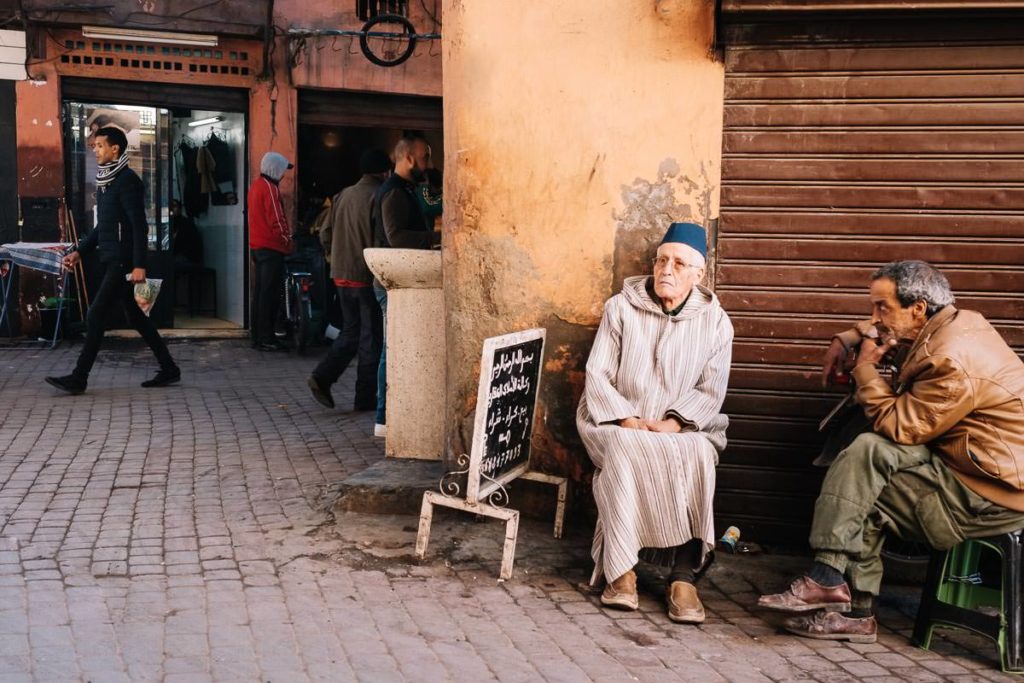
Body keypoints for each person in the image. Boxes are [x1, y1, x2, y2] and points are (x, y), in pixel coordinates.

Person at [759, 261, 1024, 644]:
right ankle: (839, 595)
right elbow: (883, 327)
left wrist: (865, 368)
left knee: (865, 479)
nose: (874, 317)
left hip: (989, 493)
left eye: (881, 307)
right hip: (969, 460)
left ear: (918, 307)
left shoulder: (951, 358)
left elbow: (901, 426)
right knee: (863, 469)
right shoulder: (956, 321)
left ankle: (840, 595)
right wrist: (848, 337)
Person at [577, 222, 733, 624]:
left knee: (698, 453)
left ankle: (683, 577)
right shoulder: (621, 307)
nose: (667, 269)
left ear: (698, 275)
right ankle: (621, 571)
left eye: (680, 264)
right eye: (662, 260)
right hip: (615, 419)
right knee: (625, 448)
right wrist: (626, 417)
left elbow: (711, 388)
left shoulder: (716, 321)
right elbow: (598, 373)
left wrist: (673, 424)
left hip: (683, 427)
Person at [46, 126, 180, 395]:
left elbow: (139, 225)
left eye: (99, 146)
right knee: (137, 318)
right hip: (111, 258)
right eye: (94, 146)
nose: (95, 150)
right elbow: (102, 228)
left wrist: (139, 264)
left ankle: (79, 377)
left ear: (115, 149)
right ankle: (169, 369)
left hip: (122, 261)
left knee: (95, 314)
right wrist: (79, 251)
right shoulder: (108, 182)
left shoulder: (127, 181)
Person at [307, 148, 391, 411]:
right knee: (370, 339)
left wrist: (336, 257)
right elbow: (381, 239)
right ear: (384, 172)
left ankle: (322, 377)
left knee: (351, 333)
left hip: (341, 275)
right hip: (365, 276)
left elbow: (325, 234)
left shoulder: (342, 195)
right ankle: (364, 399)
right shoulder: (379, 196)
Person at [370, 137, 439, 437]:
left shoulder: (405, 190)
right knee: (391, 348)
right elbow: (396, 237)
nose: (427, 164)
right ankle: (383, 416)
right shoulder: (394, 192)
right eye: (424, 158)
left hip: (399, 281)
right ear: (409, 158)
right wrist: (435, 237)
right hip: (391, 283)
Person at [248, 152, 293, 352]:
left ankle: (258, 336)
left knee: (260, 294)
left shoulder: (256, 186)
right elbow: (277, 219)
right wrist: (288, 240)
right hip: (271, 248)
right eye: (283, 170)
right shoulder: (270, 188)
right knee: (270, 295)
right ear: (276, 169)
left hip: (257, 247)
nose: (284, 174)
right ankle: (267, 337)